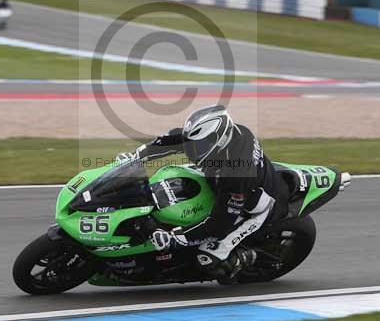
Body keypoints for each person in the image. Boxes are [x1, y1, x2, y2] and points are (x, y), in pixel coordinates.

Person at [116, 105, 289, 280]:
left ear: (219, 140)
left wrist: (173, 236)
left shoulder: (235, 175)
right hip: (223, 179)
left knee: (206, 259)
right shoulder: (222, 137)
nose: (193, 150)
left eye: (200, 145)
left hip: (257, 206)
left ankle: (245, 258)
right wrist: (135, 157)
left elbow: (218, 225)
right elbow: (172, 141)